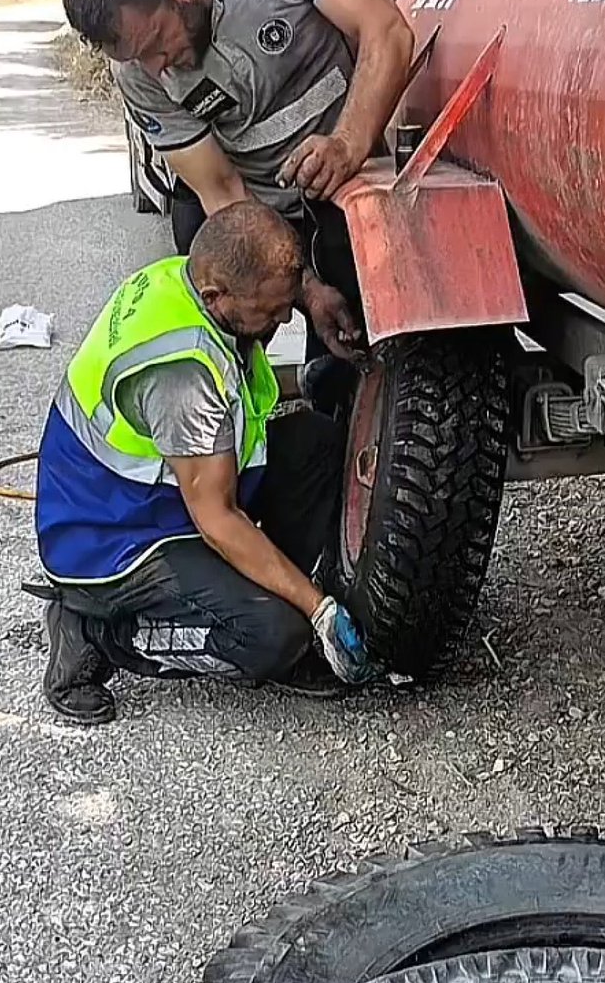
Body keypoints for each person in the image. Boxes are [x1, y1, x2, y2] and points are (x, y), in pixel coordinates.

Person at [33, 200, 380, 725]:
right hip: (113, 539)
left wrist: (312, 302)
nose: (284, 319)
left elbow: (234, 404)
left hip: (163, 496)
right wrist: (317, 609)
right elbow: (217, 517)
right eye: (271, 311)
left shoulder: (194, 278)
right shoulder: (183, 375)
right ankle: (96, 630)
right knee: (273, 636)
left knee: (315, 443)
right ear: (217, 297)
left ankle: (260, 594)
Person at [59, 0, 414, 367]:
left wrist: (347, 144)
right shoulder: (138, 71)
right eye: (137, 59)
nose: (157, 69)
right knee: (223, 320)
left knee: (358, 348)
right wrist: (304, 289)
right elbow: (222, 189)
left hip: (344, 177)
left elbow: (386, 30)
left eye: (157, 45)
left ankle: (330, 383)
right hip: (253, 206)